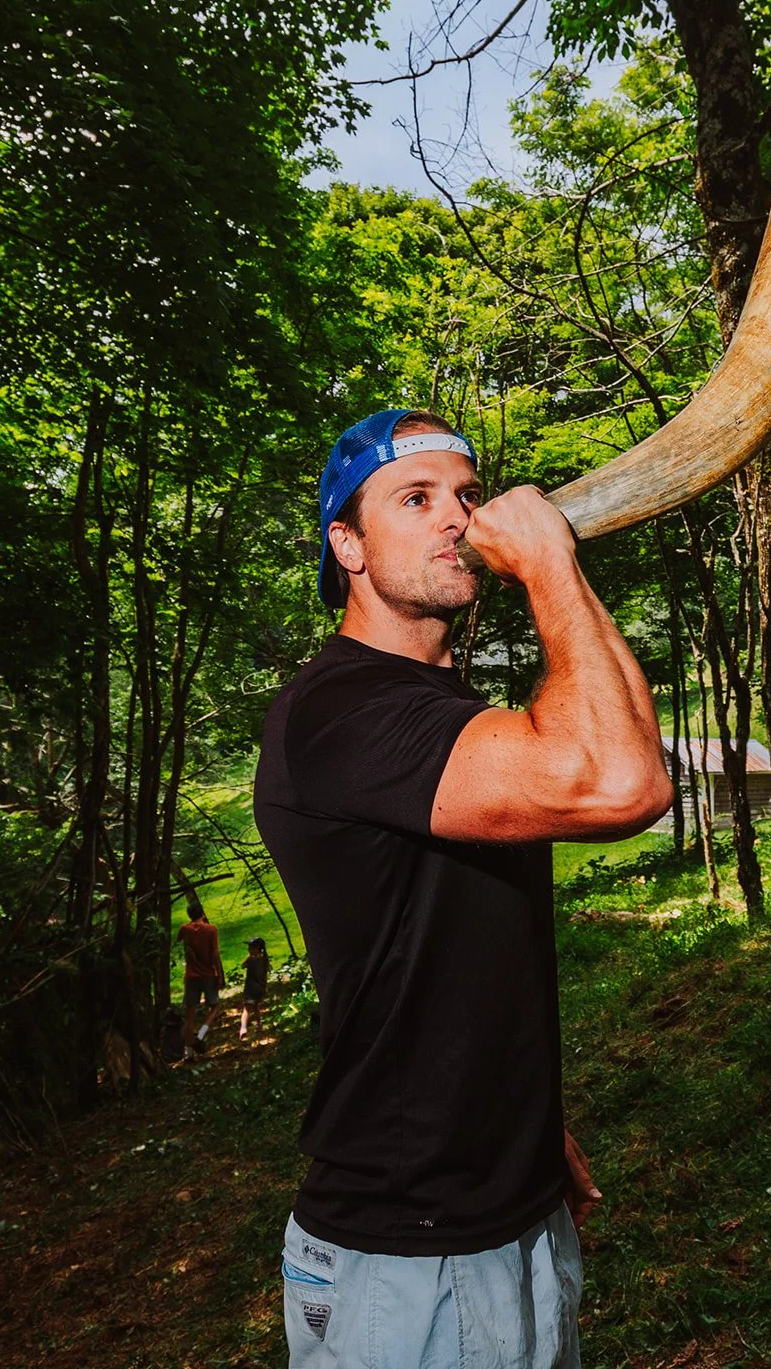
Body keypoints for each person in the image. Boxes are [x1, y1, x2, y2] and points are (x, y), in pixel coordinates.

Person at [254, 407, 671, 1369]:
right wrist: (549, 568)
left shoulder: (448, 711)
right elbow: (620, 784)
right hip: (404, 1258)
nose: (459, 518)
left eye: (469, 496)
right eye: (417, 497)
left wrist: (519, 1127)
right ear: (347, 545)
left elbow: (633, 752)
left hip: (508, 1209)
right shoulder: (339, 711)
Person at [177, 899, 223, 1059]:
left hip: (191, 976)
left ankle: (187, 1053)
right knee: (215, 1007)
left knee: (190, 1013)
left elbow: (179, 939)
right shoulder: (212, 930)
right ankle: (200, 1035)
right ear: (202, 913)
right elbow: (215, 954)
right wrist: (220, 975)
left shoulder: (184, 929)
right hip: (209, 974)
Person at [240, 936, 269, 1040]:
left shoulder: (251, 960)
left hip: (250, 988)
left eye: (250, 947)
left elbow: (243, 965)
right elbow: (265, 975)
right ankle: (259, 1024)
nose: (248, 949)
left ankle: (243, 1028)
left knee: (246, 1009)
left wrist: (249, 957)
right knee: (256, 1006)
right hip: (260, 988)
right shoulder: (265, 959)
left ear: (256, 948)